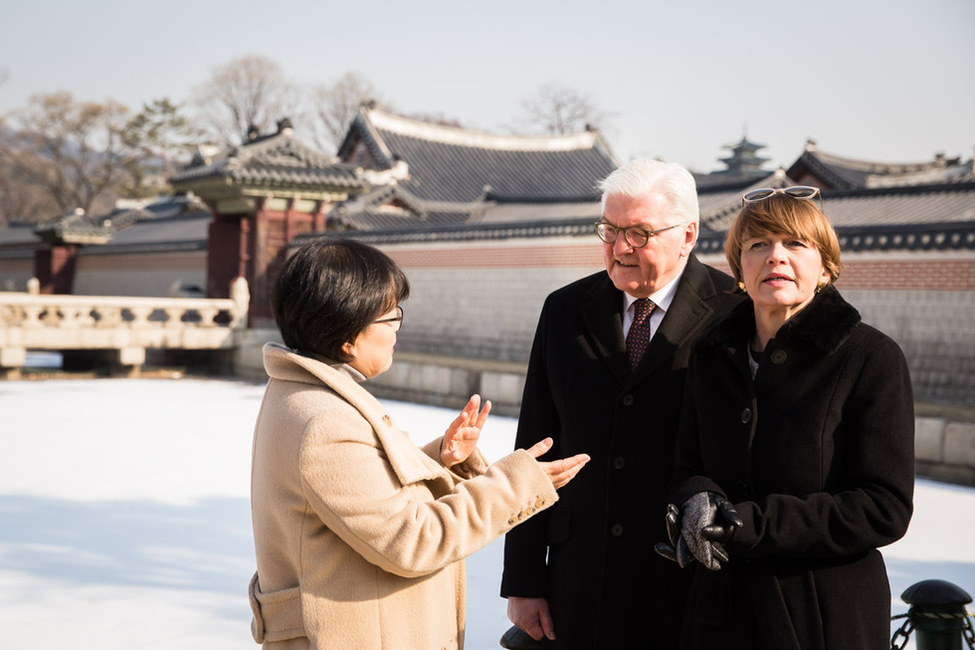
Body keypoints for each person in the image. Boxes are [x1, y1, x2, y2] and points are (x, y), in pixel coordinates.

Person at [247, 238, 590, 650]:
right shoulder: (326, 422)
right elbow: (410, 541)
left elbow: (359, 496)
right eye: (389, 317)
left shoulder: (301, 396)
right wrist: (514, 485)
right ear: (347, 333)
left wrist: (439, 461)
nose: (397, 328)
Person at [501, 158, 742, 648]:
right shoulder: (566, 310)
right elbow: (534, 443)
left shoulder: (734, 312)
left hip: (687, 576)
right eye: (609, 230)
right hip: (580, 575)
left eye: (640, 233)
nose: (619, 247)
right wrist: (524, 579)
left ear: (688, 235)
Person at [661, 185, 915, 650]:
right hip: (719, 612)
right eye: (758, 244)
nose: (775, 257)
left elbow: (884, 508)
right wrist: (699, 498)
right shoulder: (712, 354)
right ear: (740, 269)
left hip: (821, 614)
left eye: (795, 243)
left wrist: (749, 523)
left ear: (826, 268)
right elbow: (687, 465)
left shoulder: (870, 357)